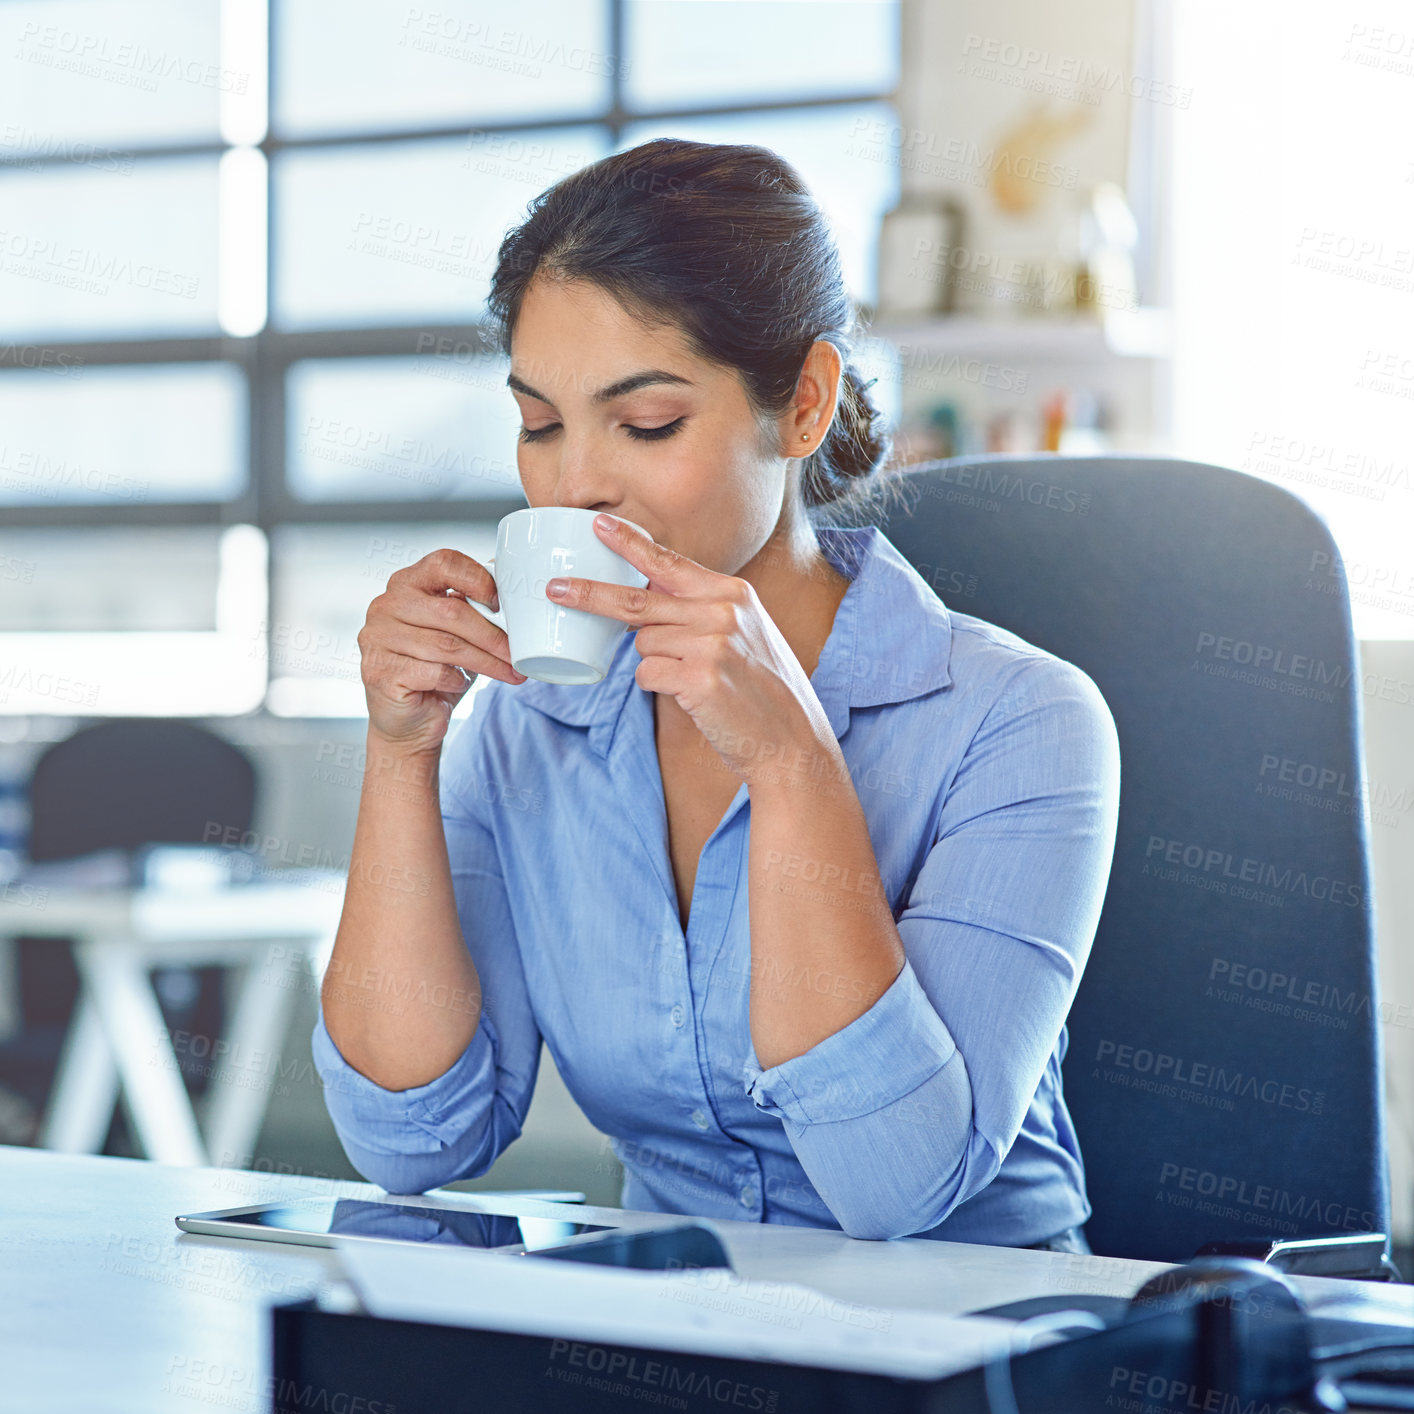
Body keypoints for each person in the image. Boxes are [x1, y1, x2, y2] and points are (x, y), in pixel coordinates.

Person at [314, 138, 1120, 1251]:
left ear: (801, 407)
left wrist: (792, 766)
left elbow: (895, 1191)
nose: (576, 481)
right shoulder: (527, 722)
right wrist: (402, 751)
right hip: (674, 1338)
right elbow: (414, 1142)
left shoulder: (1019, 723)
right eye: (539, 424)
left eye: (645, 424)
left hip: (976, 1341)